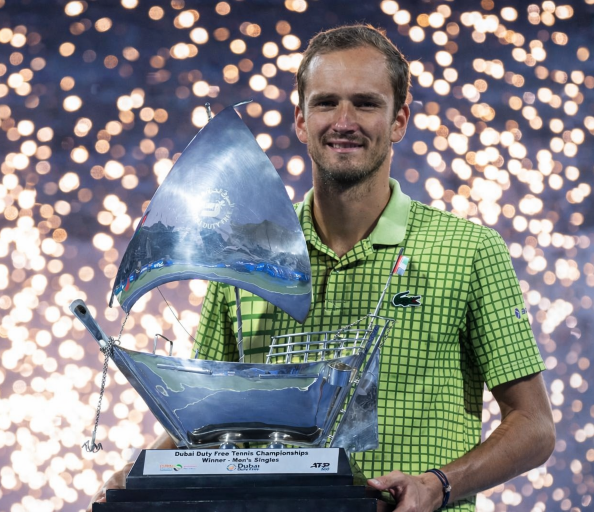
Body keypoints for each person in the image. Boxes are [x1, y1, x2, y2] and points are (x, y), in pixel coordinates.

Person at [88, 24, 555, 512]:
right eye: (326, 103)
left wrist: (437, 484)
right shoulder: (245, 253)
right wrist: (134, 475)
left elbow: (535, 426)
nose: (344, 122)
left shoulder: (470, 251)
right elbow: (201, 422)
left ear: (399, 121)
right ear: (301, 119)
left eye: (366, 104)